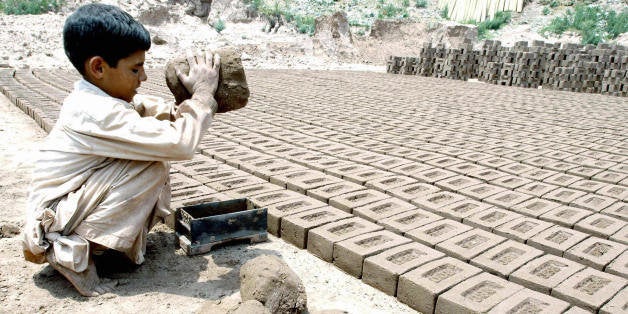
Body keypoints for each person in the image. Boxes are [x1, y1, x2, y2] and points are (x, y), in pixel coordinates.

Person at [21, 3, 220, 296]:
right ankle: (72, 254)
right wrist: (202, 97)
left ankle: (100, 248)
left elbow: (146, 110)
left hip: (70, 206)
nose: (143, 78)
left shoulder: (98, 97)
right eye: (135, 69)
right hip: (52, 223)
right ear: (98, 67)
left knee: (149, 154)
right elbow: (179, 144)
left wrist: (187, 101)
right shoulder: (95, 111)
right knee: (150, 164)